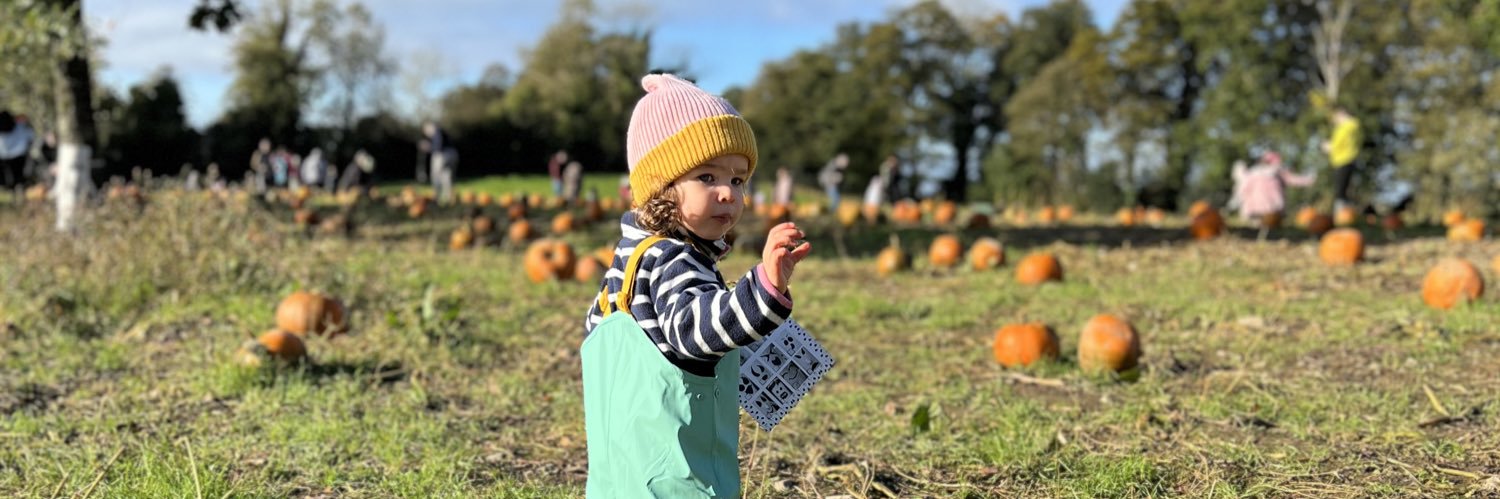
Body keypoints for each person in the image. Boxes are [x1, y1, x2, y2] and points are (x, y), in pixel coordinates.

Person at [581, 73, 811, 497]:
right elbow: (693, 331)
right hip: (678, 481)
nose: (728, 192)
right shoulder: (673, 259)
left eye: (738, 180)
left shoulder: (630, 259)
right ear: (661, 189)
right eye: (706, 177)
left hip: (620, 480)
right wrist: (763, 289)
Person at [1229, 151, 1315, 222]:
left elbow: (1242, 189)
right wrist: (1310, 180)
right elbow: (1294, 180)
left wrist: (1235, 202)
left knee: (1259, 222)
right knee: (1271, 221)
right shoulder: (1277, 173)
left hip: (1254, 208)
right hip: (1274, 208)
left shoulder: (1252, 174)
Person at [1321, 106, 1361, 210]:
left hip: (1345, 160)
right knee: (1341, 189)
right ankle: (1343, 212)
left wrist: (1329, 146)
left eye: (1336, 116)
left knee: (1341, 190)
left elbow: (1338, 144)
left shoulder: (1348, 126)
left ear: (1342, 114)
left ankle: (1341, 213)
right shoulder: (1345, 127)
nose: (1334, 119)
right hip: (1341, 161)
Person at [423, 121, 456, 204]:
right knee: (447, 176)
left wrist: (428, 147)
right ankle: (449, 197)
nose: (426, 133)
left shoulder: (437, 132)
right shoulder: (442, 132)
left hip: (442, 156)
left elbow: (438, 147)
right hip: (453, 154)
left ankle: (437, 197)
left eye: (426, 130)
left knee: (436, 176)